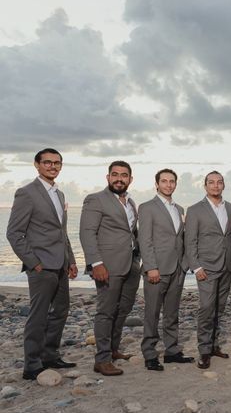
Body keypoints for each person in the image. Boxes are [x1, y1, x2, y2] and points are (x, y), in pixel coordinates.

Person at [6, 148, 78, 380]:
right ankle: (32, 364)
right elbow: (14, 233)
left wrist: (71, 260)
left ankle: (50, 355)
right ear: (37, 165)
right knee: (38, 315)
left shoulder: (60, 194)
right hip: (41, 266)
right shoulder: (26, 193)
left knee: (61, 311)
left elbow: (62, 232)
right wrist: (33, 262)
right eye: (47, 162)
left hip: (61, 265)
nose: (52, 166)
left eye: (57, 163)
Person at [79, 160, 141, 376]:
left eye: (124, 175)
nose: (119, 178)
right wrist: (96, 263)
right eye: (115, 174)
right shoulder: (96, 199)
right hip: (107, 265)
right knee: (106, 312)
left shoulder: (130, 202)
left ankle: (113, 350)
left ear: (130, 179)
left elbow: (131, 232)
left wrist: (139, 258)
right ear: (108, 177)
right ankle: (102, 359)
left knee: (123, 309)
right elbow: (87, 233)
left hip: (131, 264)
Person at [138, 169, 193, 371]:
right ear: (157, 184)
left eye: (172, 181)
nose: (168, 185)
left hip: (177, 269)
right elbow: (144, 240)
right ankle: (150, 354)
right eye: (164, 181)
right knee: (151, 313)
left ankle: (172, 351)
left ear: (175, 184)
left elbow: (182, 239)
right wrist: (151, 267)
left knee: (172, 313)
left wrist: (184, 265)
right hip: (157, 270)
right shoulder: (147, 207)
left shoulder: (179, 208)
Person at [185, 171, 231, 369]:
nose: (216, 185)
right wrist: (196, 266)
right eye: (211, 182)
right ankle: (204, 351)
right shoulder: (195, 209)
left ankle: (214, 345)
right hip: (206, 268)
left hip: (226, 267)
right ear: (205, 186)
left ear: (223, 185)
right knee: (206, 309)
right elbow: (190, 241)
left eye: (219, 182)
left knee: (219, 308)